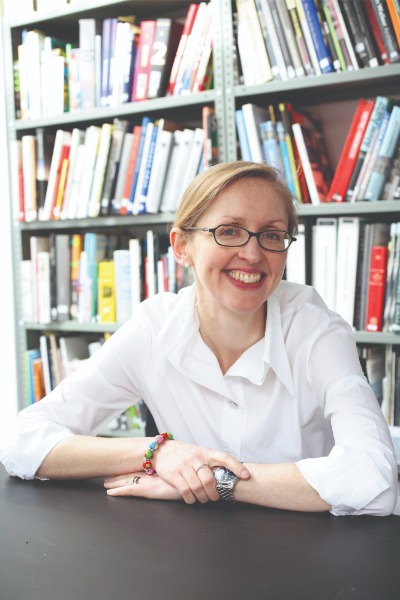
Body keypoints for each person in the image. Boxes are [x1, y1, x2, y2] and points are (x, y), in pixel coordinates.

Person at [0, 161, 397, 515]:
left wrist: (215, 482)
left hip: (313, 552)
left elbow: (375, 480)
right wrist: (157, 452)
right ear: (181, 246)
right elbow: (22, 440)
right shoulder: (154, 328)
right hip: (192, 551)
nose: (253, 254)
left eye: (272, 235)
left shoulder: (317, 332)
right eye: (229, 231)